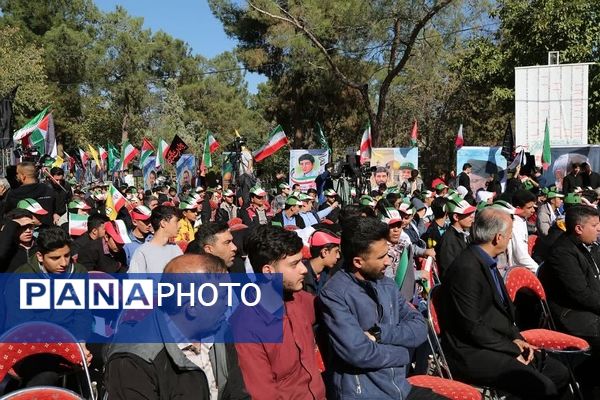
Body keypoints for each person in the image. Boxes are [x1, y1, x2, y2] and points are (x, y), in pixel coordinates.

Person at [439, 207, 570, 399]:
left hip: (496, 341)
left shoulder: (485, 261)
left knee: (559, 373)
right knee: (542, 387)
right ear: (498, 237)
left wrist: (518, 341)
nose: (510, 240)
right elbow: (472, 327)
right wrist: (511, 348)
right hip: (472, 352)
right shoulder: (467, 269)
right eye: (509, 235)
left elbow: (502, 315)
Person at [318, 217, 445, 400]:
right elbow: (358, 352)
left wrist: (380, 333)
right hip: (364, 394)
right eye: (381, 257)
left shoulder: (386, 285)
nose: (387, 262)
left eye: (387, 253)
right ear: (358, 262)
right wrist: (403, 354)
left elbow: (419, 326)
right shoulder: (335, 294)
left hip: (400, 388)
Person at [105, 254, 250, 400]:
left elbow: (237, 393)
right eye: (222, 296)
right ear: (192, 307)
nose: (228, 303)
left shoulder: (220, 331)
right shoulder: (134, 360)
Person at [231, 225, 326, 400]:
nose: (304, 269)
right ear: (268, 272)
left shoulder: (300, 299)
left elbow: (334, 313)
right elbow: (263, 393)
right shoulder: (246, 326)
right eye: (294, 264)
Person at [6, 226, 93, 390]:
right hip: (33, 346)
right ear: (40, 256)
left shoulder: (79, 272)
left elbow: (83, 312)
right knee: (45, 376)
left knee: (112, 352)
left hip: (71, 339)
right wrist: (64, 347)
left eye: (67, 255)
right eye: (55, 258)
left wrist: (81, 342)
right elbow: (22, 326)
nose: (63, 263)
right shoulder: (22, 278)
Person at [539, 205, 600, 399]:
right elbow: (581, 294)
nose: (599, 229)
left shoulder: (585, 245)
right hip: (571, 314)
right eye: (595, 225)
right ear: (579, 228)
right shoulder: (562, 252)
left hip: (588, 307)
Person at [129, 205, 183, 274]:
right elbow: (136, 283)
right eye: (176, 221)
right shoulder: (142, 252)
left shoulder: (175, 248)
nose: (180, 226)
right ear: (163, 223)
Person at [437, 195, 476, 280]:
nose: (472, 216)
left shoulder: (464, 234)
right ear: (456, 217)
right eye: (467, 214)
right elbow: (449, 272)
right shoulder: (448, 241)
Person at [508, 189, 539, 273]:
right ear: (518, 208)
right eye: (529, 208)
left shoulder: (522, 219)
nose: (533, 210)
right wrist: (539, 270)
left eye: (533, 207)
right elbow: (521, 256)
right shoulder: (515, 224)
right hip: (517, 271)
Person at [302, 229, 341, 295]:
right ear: (325, 252)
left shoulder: (330, 273)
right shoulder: (301, 277)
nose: (338, 256)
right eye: (336, 252)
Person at [0, 208, 37, 272]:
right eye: (22, 227)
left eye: (30, 226)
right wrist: (14, 223)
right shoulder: (7, 248)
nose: (28, 231)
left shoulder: (40, 244)